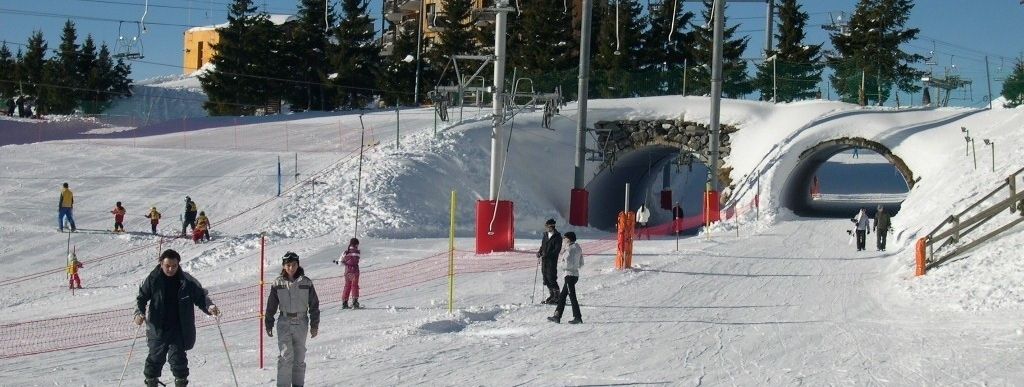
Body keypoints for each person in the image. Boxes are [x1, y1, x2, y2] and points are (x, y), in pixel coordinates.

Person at [134, 249, 220, 387]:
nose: (171, 269)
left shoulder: (186, 280)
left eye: (174, 266)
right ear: (161, 263)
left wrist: (210, 308)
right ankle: (151, 383)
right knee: (155, 359)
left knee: (178, 360)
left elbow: (201, 297)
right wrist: (139, 313)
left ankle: (180, 383)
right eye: (167, 265)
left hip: (179, 328)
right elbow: (141, 298)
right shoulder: (152, 279)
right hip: (158, 327)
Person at [265, 252, 320, 387]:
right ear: (284, 266)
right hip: (284, 321)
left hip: (301, 322)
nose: (291, 268)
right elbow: (271, 304)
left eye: (294, 264)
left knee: (299, 357)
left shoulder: (306, 282)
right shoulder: (278, 282)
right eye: (288, 265)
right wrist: (268, 322)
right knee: (285, 357)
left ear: (298, 264)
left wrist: (314, 325)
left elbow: (314, 304)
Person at [547, 231, 584, 324]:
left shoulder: (570, 249)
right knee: (563, 296)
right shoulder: (577, 248)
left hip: (569, 275)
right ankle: (557, 315)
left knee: (572, 296)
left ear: (568, 239)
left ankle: (577, 317)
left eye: (564, 238)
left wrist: (562, 265)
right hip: (574, 275)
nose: (563, 240)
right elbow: (581, 263)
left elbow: (567, 264)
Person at [536, 218, 562, 304]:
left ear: (552, 226)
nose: (546, 228)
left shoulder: (557, 237)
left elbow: (557, 250)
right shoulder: (545, 235)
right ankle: (552, 294)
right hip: (544, 260)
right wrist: (539, 252)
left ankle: (557, 296)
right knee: (545, 278)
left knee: (551, 277)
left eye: (547, 226)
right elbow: (543, 245)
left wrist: (547, 254)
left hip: (552, 261)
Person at [334, 238, 361, 309]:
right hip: (355, 271)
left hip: (348, 271)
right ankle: (355, 302)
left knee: (347, 286)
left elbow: (340, 263)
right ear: (356, 244)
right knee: (354, 285)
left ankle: (344, 302)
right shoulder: (357, 252)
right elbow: (355, 258)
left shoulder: (345, 252)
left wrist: (342, 262)